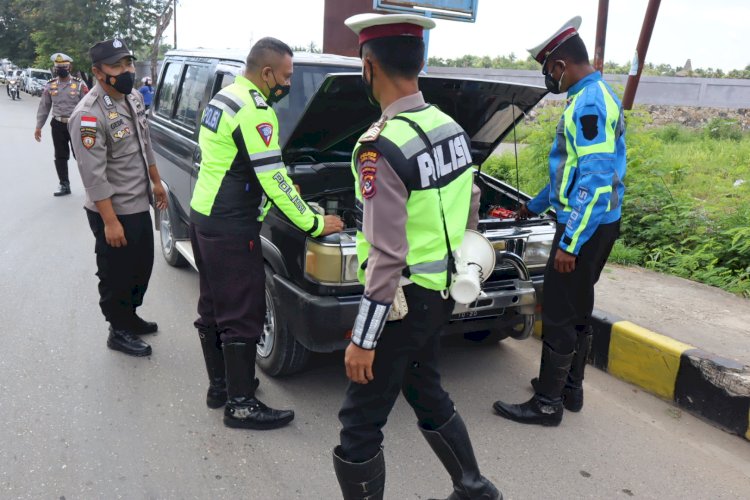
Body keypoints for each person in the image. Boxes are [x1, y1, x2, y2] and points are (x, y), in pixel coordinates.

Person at [332, 13, 500, 500]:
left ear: (368, 67)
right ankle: (474, 487)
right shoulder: (450, 126)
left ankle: (474, 487)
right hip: (441, 292)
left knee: (358, 425)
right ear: (420, 61)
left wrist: (363, 339)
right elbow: (469, 203)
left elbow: (386, 253)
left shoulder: (379, 147)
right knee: (425, 389)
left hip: (401, 304)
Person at [190, 37, 344, 430]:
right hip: (231, 223)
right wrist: (313, 221)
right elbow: (274, 179)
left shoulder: (224, 98)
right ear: (267, 73)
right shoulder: (255, 111)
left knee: (212, 305)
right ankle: (240, 405)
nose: (287, 85)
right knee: (243, 312)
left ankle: (221, 387)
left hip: (204, 215)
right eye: (287, 77)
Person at [492, 16, 626, 426]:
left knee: (561, 313)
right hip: (601, 223)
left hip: (584, 227)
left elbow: (596, 178)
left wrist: (570, 242)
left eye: (549, 68)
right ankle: (571, 389)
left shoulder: (587, 103)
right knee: (579, 308)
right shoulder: (594, 94)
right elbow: (569, 171)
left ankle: (548, 403)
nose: (549, 77)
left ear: (562, 63)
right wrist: (533, 206)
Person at [69, 39, 168, 357]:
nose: (126, 71)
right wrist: (110, 222)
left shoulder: (134, 97)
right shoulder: (87, 115)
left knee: (142, 266)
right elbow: (93, 176)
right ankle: (118, 329)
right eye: (117, 65)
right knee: (116, 272)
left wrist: (156, 181)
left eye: (128, 63)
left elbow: (144, 141)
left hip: (138, 202)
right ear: (99, 73)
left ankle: (130, 315)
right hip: (112, 210)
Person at [35, 53, 89, 196]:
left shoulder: (79, 85)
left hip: (76, 125)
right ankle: (64, 185)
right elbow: (44, 106)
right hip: (58, 124)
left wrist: (89, 127)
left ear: (69, 67)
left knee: (82, 155)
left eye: (63, 67)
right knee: (60, 155)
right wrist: (38, 126)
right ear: (54, 68)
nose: (60, 69)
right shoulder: (50, 85)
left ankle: (91, 186)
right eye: (58, 67)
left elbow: (88, 107)